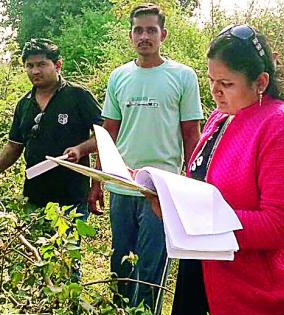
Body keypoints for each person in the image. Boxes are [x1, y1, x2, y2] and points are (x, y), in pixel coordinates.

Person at [87, 3, 203, 312]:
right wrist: (97, 181)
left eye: (151, 30)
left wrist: (194, 184)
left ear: (163, 34)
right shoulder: (119, 77)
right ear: (130, 36)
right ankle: (119, 310)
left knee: (153, 265)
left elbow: (191, 134)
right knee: (121, 260)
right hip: (121, 183)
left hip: (162, 189)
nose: (144, 36)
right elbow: (108, 132)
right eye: (138, 30)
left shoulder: (183, 76)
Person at [171, 25, 284, 315]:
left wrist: (203, 219)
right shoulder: (220, 118)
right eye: (210, 80)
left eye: (227, 83)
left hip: (247, 286)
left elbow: (277, 224)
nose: (215, 92)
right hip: (201, 269)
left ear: (260, 82)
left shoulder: (276, 126)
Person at [0, 38, 102, 221]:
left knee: (67, 249)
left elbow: (105, 136)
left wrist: (81, 150)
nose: (35, 71)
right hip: (35, 197)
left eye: (42, 64)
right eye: (29, 66)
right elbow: (14, 145)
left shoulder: (78, 96)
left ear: (58, 65)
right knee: (35, 248)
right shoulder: (24, 104)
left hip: (72, 198)